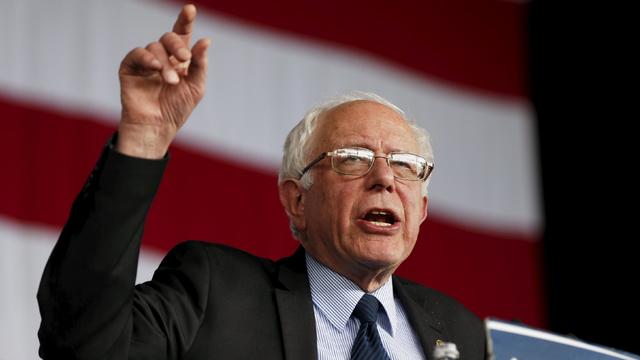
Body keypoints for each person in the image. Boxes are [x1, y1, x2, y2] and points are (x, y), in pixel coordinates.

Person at [37, 4, 486, 360]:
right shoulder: (214, 294)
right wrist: (141, 139)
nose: (385, 177)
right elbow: (81, 344)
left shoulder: (464, 333)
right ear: (296, 200)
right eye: (353, 158)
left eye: (406, 164)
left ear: (422, 209)